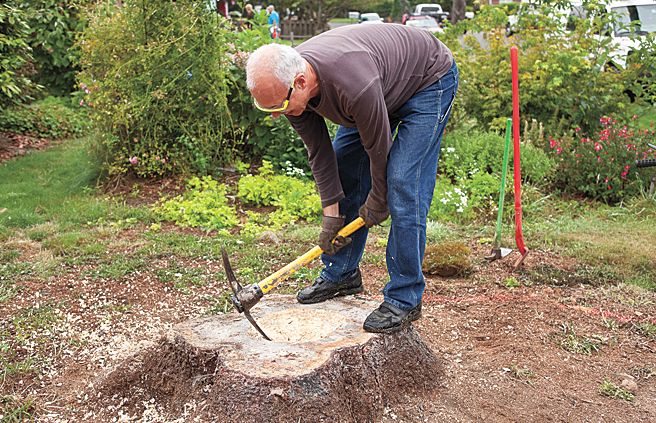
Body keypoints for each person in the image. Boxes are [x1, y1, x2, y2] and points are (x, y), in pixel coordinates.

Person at [245, 24, 458, 334]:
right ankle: (341, 274)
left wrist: (379, 200)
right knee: (346, 168)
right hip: (380, 87)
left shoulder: (352, 84)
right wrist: (331, 217)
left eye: (278, 106)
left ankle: (405, 297)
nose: (276, 114)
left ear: (301, 82)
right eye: (267, 107)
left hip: (426, 81)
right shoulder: (290, 87)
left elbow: (378, 149)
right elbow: (320, 154)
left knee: (401, 183)